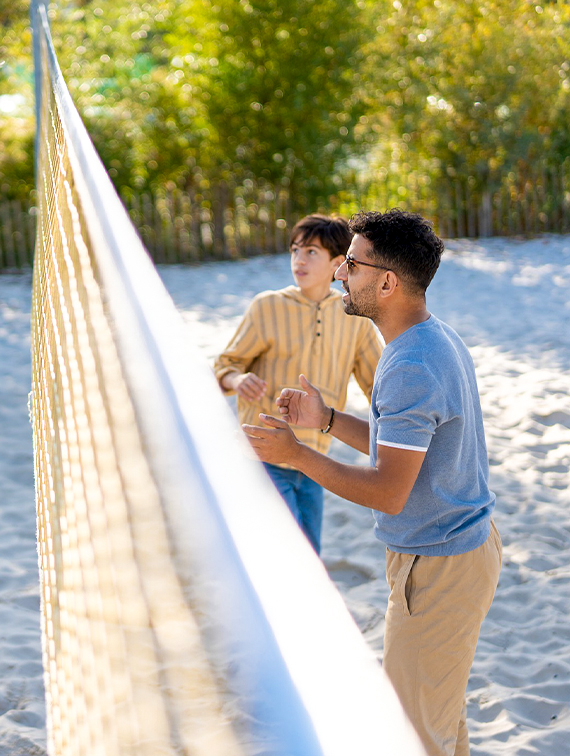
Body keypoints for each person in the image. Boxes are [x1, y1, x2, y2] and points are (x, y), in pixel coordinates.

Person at [242, 209, 502, 756]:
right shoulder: (431, 337)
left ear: (387, 283)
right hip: (456, 553)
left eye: (352, 264)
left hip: (440, 566)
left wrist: (296, 456)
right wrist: (327, 420)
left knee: (413, 737)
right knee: (440, 726)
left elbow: (388, 490)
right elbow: (405, 451)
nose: (340, 272)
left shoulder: (411, 364)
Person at [213, 213, 382, 552]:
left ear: (337, 263)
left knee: (310, 554)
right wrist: (237, 379)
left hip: (314, 461)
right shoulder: (267, 306)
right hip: (262, 456)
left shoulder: (355, 318)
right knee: (286, 553)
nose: (299, 260)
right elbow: (225, 366)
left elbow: (378, 386)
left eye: (311, 252)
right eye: (295, 250)